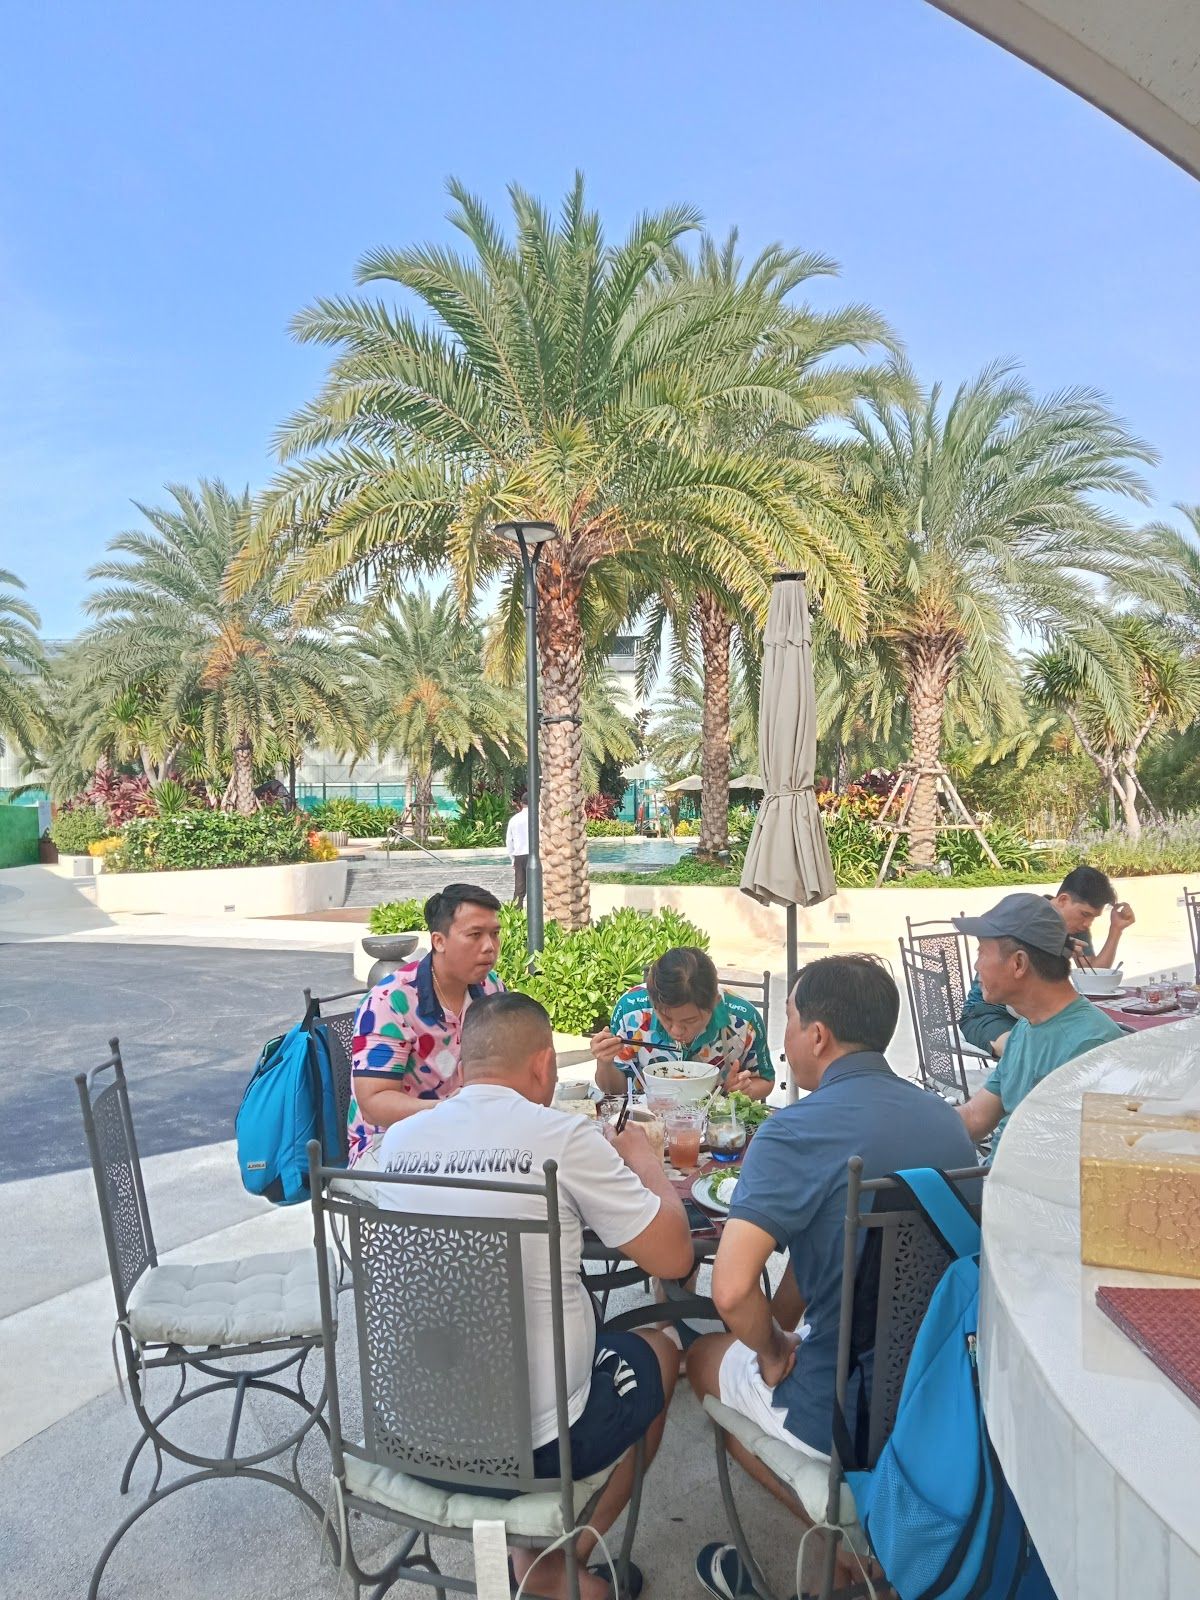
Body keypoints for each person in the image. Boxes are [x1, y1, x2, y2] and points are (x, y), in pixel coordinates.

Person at [378, 991, 693, 1600]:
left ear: (462, 1064)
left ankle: (525, 1553)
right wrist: (645, 1164)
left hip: (410, 1431)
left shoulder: (399, 1143)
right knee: (660, 1349)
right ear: (545, 1064)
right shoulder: (564, 1139)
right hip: (539, 1447)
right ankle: (555, 1565)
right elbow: (675, 1259)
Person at [685, 955, 977, 1600]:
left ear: (817, 1035)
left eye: (789, 1020)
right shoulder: (947, 1122)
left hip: (845, 1409)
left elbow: (730, 1291)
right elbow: (844, 1250)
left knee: (703, 1359)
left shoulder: (792, 1132)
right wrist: (780, 1325)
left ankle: (846, 1548)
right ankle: (858, 1552)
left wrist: (770, 1349)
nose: (786, 1037)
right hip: (942, 1389)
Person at [346, 883, 505, 1168]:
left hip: (462, 1135)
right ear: (439, 941)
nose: (489, 946)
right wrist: (449, 1111)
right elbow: (374, 1104)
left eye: (495, 934)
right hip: (386, 1144)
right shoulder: (390, 1001)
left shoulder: (490, 986)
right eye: (475, 935)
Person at [953, 893, 1124, 1147]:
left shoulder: (1089, 1045)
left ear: (1018, 963)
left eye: (982, 952)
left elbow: (1060, 1157)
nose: (977, 966)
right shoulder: (1025, 1027)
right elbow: (975, 1116)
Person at [958, 865, 1135, 1057]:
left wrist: (1116, 929)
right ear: (1063, 900)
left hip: (1031, 1016)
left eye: (1093, 918)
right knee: (1025, 1051)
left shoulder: (1074, 927)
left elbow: (1093, 971)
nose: (1087, 924)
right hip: (989, 1012)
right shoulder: (1029, 913)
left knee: (1068, 1046)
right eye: (1085, 914)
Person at [591, 946, 774, 1101]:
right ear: (652, 1002)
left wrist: (743, 1090)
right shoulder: (631, 1009)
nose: (677, 1031)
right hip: (646, 1122)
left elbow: (766, 1080)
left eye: (690, 1020)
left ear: (715, 1002)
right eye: (666, 1018)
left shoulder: (744, 1019)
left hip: (716, 1123)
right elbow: (615, 1090)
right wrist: (604, 1063)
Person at [506, 790, 530, 910]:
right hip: (536, 855)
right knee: (538, 885)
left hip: (519, 856)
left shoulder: (514, 820)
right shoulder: (538, 818)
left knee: (520, 887)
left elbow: (509, 841)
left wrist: (512, 859)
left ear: (521, 803)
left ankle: (516, 911)